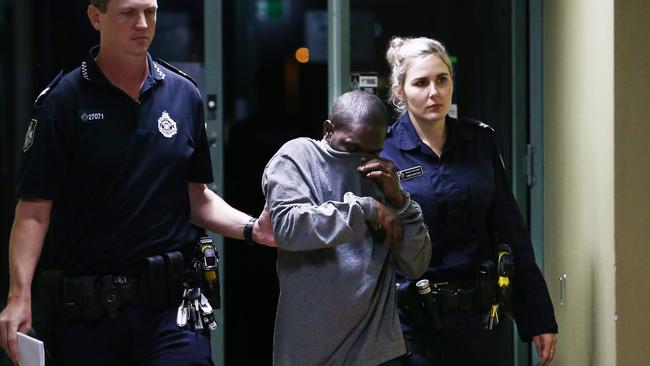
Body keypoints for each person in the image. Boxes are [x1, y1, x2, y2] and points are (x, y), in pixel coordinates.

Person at [0, 0, 275, 365]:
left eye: (151, 12)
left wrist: (252, 228)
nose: (143, 24)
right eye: (129, 13)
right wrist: (19, 296)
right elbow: (34, 212)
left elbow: (196, 197)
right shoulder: (63, 102)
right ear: (96, 17)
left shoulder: (183, 95)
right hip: (88, 316)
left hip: (171, 312)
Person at [379, 36, 558, 366]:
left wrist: (538, 316)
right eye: (421, 83)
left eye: (442, 80)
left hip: (478, 317)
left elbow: (511, 230)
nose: (434, 92)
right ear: (400, 91)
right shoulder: (383, 152)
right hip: (409, 323)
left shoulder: (479, 141)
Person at [262, 90, 432, 366]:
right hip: (310, 349)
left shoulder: (381, 173)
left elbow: (416, 264)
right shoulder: (299, 156)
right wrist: (365, 209)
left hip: (376, 350)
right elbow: (288, 228)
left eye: (373, 150)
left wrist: (400, 202)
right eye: (353, 148)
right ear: (328, 130)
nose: (362, 160)